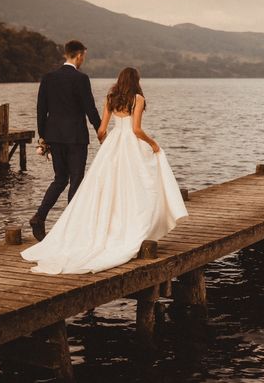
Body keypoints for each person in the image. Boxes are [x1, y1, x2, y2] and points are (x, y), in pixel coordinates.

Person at [21, 67, 188, 274]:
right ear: (136, 80)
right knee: (140, 184)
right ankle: (135, 225)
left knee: (107, 187)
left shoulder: (110, 97)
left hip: (113, 143)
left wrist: (106, 144)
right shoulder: (138, 98)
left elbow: (101, 130)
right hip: (131, 144)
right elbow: (136, 130)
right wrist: (153, 143)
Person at [29, 40, 101, 241]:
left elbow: (41, 109)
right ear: (79, 55)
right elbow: (90, 109)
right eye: (83, 56)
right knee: (76, 179)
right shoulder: (81, 79)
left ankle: (39, 216)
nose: (83, 60)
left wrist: (43, 136)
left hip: (54, 135)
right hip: (76, 137)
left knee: (60, 178)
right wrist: (100, 130)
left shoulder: (48, 78)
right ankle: (72, 228)